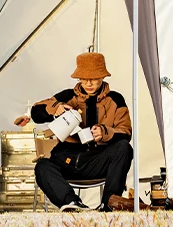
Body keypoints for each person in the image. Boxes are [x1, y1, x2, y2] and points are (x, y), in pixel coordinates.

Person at [28, 52, 132, 212]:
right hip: (67, 160)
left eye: (94, 78)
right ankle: (71, 203)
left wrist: (104, 132)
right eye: (84, 78)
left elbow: (125, 132)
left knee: (124, 148)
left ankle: (110, 203)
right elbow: (36, 113)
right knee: (42, 166)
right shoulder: (68, 96)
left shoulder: (115, 99)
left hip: (97, 161)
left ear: (102, 77)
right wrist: (56, 109)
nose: (89, 83)